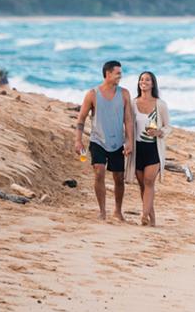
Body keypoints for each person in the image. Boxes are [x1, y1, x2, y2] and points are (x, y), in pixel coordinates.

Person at [73, 60, 134, 221]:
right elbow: (81, 119)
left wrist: (130, 141)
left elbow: (128, 120)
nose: (120, 76)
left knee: (119, 178)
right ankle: (102, 211)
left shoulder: (124, 94)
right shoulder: (92, 94)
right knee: (99, 171)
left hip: (118, 142)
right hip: (98, 140)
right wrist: (78, 141)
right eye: (118, 73)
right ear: (108, 74)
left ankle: (118, 211)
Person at [125, 71, 171, 227]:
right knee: (142, 186)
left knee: (149, 181)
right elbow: (128, 125)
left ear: (153, 84)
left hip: (154, 148)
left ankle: (143, 214)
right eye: (141, 79)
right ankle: (152, 219)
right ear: (139, 83)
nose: (144, 82)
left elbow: (168, 127)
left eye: (147, 80)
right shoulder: (132, 103)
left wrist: (159, 132)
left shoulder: (160, 104)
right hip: (138, 149)